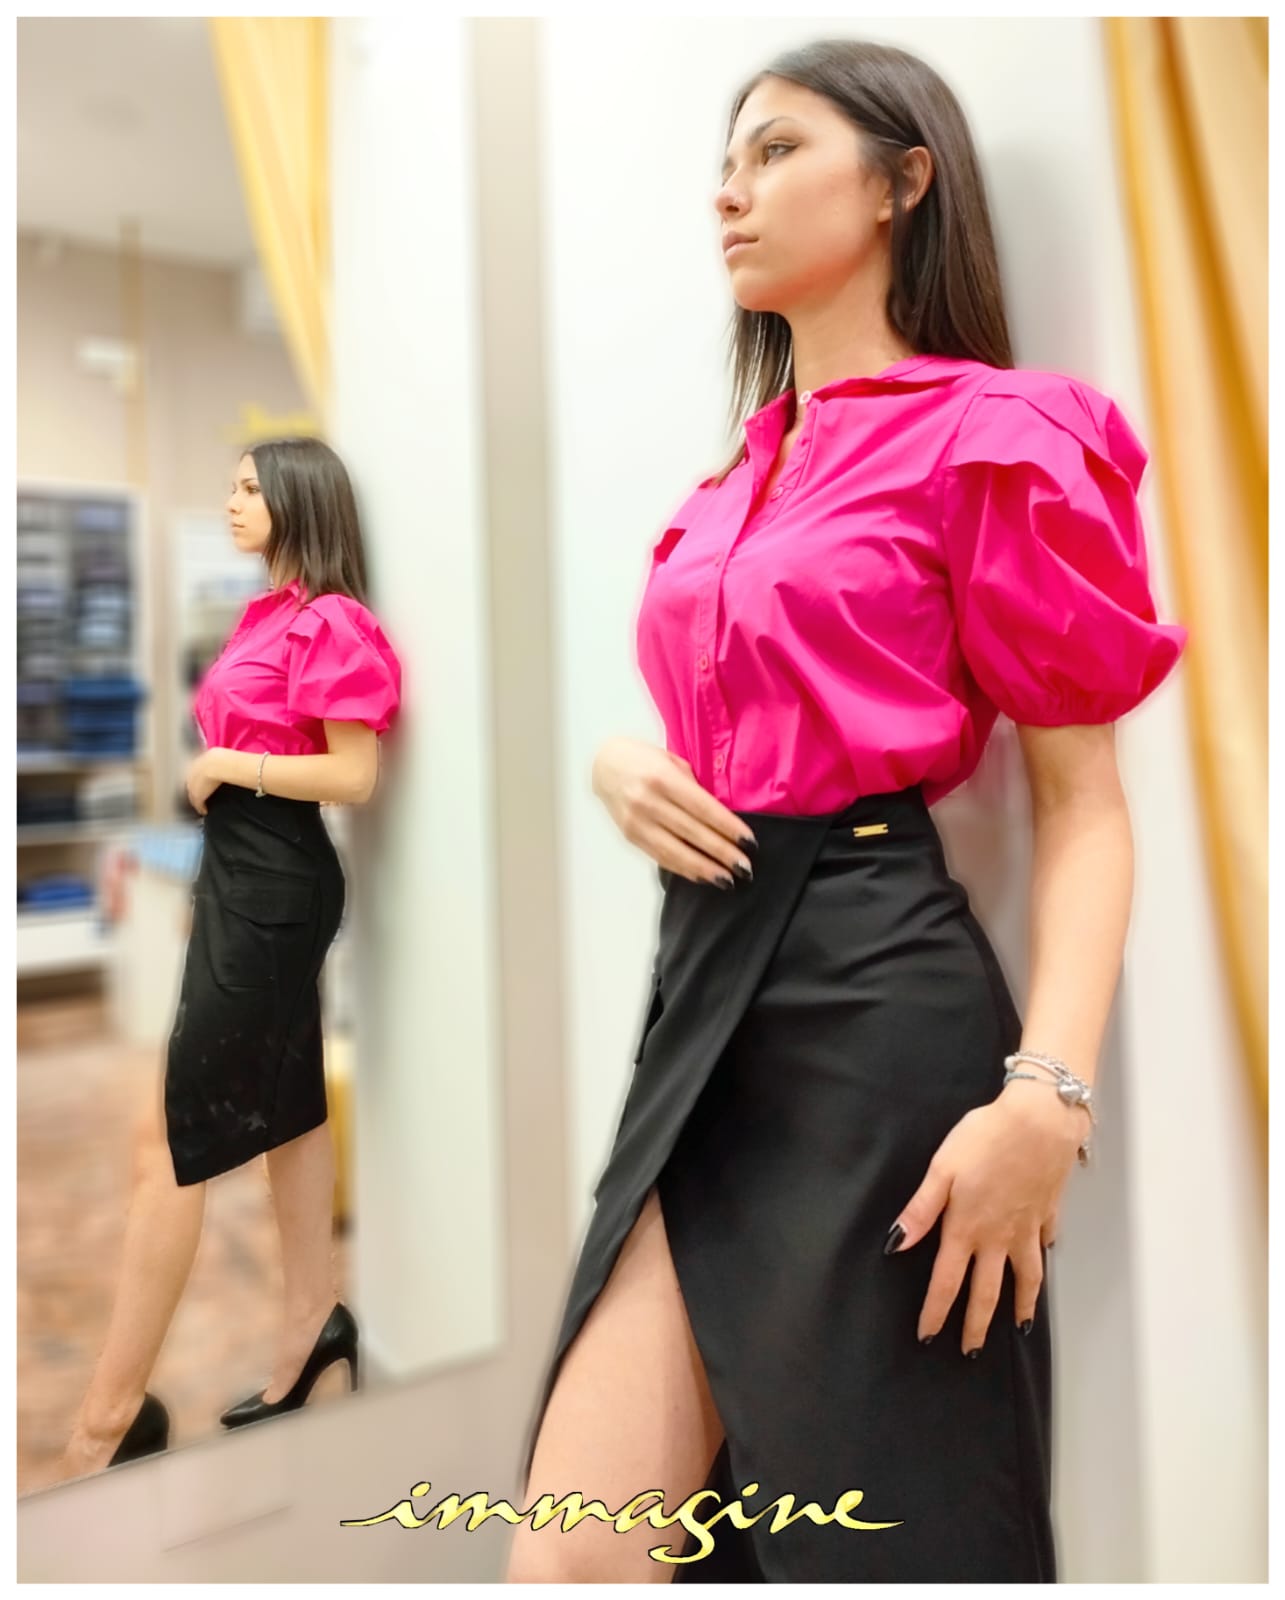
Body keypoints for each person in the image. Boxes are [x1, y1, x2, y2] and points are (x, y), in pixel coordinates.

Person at [506, 38, 1188, 1584]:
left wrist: (1046, 1097)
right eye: (723, 163)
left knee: (892, 1540)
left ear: (900, 182)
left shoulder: (994, 435)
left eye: (774, 150)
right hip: (700, 1007)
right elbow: (734, 715)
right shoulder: (733, 479)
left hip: (879, 1011)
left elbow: (1085, 805)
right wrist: (619, 764)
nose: (727, 193)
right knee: (574, 1558)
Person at [53, 436, 403, 1482]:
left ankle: (108, 1420)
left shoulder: (331, 621)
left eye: (252, 487)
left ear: (300, 498)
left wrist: (226, 762)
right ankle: (311, 1333)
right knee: (290, 1111)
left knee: (170, 1140)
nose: (233, 501)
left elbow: (353, 775)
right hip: (243, 878)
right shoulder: (267, 618)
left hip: (276, 884)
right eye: (232, 486)